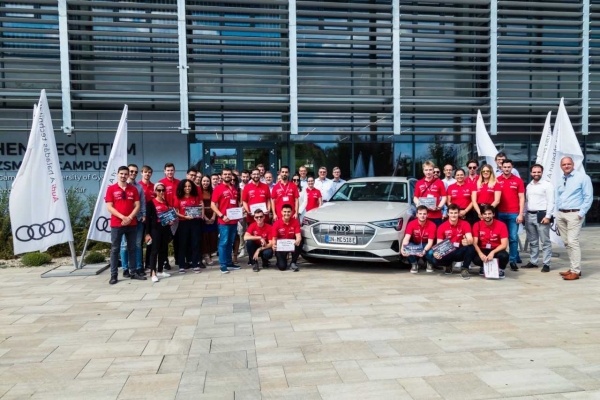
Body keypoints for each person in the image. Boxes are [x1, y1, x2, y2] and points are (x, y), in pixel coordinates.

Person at [556, 157, 594, 281]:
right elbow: (558, 196)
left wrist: (581, 213)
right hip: (561, 214)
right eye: (564, 164)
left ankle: (576, 271)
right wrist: (556, 212)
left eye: (569, 164)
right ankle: (573, 267)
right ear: (561, 166)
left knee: (573, 241)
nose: (566, 166)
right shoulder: (561, 179)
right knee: (567, 242)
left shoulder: (583, 177)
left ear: (573, 164)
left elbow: (588, 197)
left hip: (574, 214)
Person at [105, 166, 143, 284]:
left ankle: (133, 272)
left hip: (132, 223)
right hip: (117, 224)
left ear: (128, 175)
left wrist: (130, 217)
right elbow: (109, 207)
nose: (123, 176)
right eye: (121, 173)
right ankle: (114, 275)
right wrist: (123, 217)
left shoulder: (133, 189)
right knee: (115, 249)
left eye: (126, 174)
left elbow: (137, 205)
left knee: (132, 248)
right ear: (117, 174)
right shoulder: (111, 189)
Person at [429, 204, 475, 279]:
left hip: (460, 250)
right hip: (448, 251)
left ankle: (464, 269)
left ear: (458, 213)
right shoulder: (442, 226)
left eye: (455, 213)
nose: (453, 215)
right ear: (448, 213)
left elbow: (470, 238)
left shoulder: (465, 224)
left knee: (471, 247)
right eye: (451, 213)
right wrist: (437, 252)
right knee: (434, 259)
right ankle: (448, 265)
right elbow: (439, 243)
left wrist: (467, 241)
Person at [524, 164, 555, 273]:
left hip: (542, 215)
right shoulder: (529, 185)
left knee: (545, 241)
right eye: (534, 172)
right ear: (531, 173)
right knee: (532, 241)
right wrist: (524, 214)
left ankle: (546, 264)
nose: (536, 174)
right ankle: (533, 261)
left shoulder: (547, 185)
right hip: (529, 215)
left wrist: (548, 216)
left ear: (542, 172)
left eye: (538, 172)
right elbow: (526, 201)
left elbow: (551, 202)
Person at [211, 168, 242, 273]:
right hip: (224, 221)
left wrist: (240, 213)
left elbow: (235, 204)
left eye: (229, 174)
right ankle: (223, 265)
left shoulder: (234, 188)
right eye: (225, 174)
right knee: (223, 243)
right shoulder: (218, 188)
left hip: (233, 221)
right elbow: (212, 205)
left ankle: (229, 263)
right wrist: (221, 215)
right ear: (222, 176)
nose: (227, 176)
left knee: (230, 243)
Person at [496, 159, 525, 271]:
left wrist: (521, 214)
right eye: (505, 167)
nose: (507, 169)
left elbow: (522, 198)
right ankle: (500, 259)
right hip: (500, 213)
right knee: (500, 238)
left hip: (513, 213)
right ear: (501, 167)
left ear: (512, 167)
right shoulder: (497, 180)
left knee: (513, 238)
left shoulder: (518, 181)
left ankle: (513, 260)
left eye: (509, 167)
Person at [120, 164, 146, 278]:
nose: (133, 173)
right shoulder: (121, 186)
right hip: (124, 220)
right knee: (124, 245)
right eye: (131, 171)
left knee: (137, 244)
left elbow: (142, 202)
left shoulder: (139, 187)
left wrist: (144, 214)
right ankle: (125, 268)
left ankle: (139, 267)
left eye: (135, 172)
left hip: (137, 219)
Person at [174, 179, 204, 273]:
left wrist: (200, 214)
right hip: (183, 222)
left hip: (195, 222)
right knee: (183, 244)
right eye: (185, 186)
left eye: (189, 186)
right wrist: (184, 217)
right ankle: (182, 265)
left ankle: (195, 264)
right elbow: (175, 212)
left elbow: (199, 208)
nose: (187, 188)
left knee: (195, 243)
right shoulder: (178, 197)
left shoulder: (195, 196)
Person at [144, 182, 172, 282]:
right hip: (155, 229)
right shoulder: (150, 203)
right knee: (154, 251)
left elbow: (168, 215)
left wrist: (170, 221)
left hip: (165, 228)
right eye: (159, 190)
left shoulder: (166, 202)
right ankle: (153, 273)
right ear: (155, 191)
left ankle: (160, 270)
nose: (161, 192)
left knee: (163, 250)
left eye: (163, 190)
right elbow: (148, 220)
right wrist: (147, 233)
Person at [472, 205, 509, 279]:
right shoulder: (477, 225)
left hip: (496, 249)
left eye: (489, 214)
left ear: (493, 214)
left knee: (504, 256)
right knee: (476, 258)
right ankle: (483, 266)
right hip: (483, 249)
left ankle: (501, 269)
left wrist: (493, 252)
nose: (487, 216)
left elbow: (504, 244)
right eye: (485, 214)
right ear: (481, 215)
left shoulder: (501, 225)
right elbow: (474, 243)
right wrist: (480, 254)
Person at [400, 205, 436, 273]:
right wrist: (402, 248)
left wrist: (424, 251)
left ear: (427, 215)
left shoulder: (432, 225)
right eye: (420, 213)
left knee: (431, 252)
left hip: (426, 244)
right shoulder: (411, 223)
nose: (422, 216)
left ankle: (429, 263)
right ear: (417, 215)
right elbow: (406, 238)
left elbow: (430, 242)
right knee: (406, 248)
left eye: (424, 214)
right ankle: (414, 264)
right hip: (415, 244)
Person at [159, 163, 180, 270]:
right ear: (164, 171)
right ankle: (165, 261)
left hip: (178, 214)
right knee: (165, 239)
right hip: (166, 214)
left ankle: (178, 259)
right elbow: (159, 199)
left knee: (177, 238)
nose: (170, 172)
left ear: (174, 171)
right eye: (168, 170)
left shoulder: (179, 183)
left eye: (171, 170)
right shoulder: (161, 183)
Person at [413, 160, 446, 226]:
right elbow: (415, 198)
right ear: (423, 171)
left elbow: (444, 197)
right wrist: (420, 205)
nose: (428, 172)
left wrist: (439, 207)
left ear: (433, 170)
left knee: (437, 232)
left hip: (436, 215)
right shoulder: (419, 183)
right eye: (426, 170)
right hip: (423, 215)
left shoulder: (439, 182)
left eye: (430, 170)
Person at [271, 204, 302, 272]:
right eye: (285, 212)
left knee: (300, 242)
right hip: (281, 246)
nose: (286, 213)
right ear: (281, 212)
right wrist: (273, 245)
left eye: (288, 212)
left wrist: (298, 239)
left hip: (292, 244)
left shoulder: (295, 222)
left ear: (292, 212)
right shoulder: (276, 223)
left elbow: (298, 235)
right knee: (282, 267)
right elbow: (274, 238)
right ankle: (281, 260)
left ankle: (293, 262)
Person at [139, 165, 155, 269]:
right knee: (139, 242)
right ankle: (139, 264)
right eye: (145, 172)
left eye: (149, 172)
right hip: (140, 218)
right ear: (141, 173)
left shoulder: (154, 186)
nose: (147, 174)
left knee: (150, 241)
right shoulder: (138, 186)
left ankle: (148, 263)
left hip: (151, 218)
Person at [200, 175, 218, 266]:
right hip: (203, 216)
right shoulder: (198, 191)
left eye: (207, 181)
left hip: (213, 215)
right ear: (201, 182)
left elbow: (216, 203)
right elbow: (199, 204)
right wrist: (205, 217)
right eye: (204, 181)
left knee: (212, 236)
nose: (205, 183)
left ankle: (210, 254)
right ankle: (206, 255)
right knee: (204, 237)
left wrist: (214, 216)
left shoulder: (213, 191)